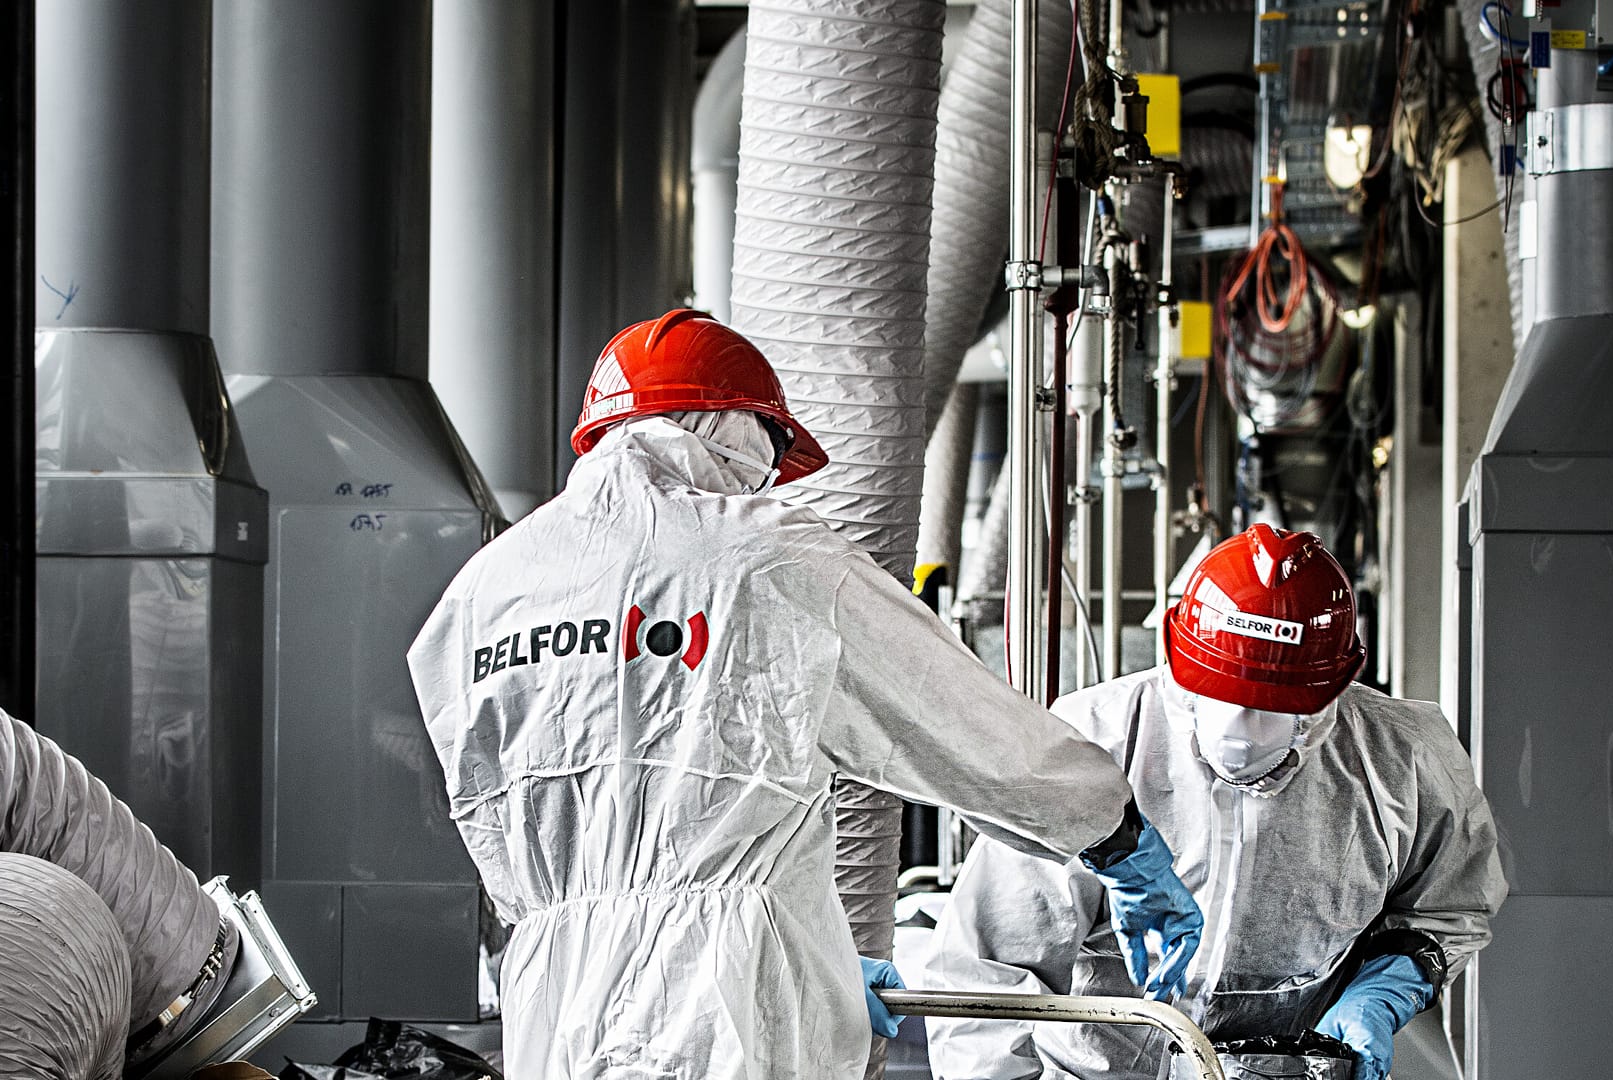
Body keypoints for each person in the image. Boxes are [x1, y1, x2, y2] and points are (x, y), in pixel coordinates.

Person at [408, 309, 1202, 1079]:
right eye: (769, 450)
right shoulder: (768, 561)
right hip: (725, 1003)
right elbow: (959, 724)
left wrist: (810, 946)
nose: (767, 477)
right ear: (730, 430)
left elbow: (541, 817)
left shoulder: (477, 597)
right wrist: (1113, 832)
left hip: (553, 992)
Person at [924, 524, 1509, 1080]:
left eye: (1273, 703)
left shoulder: (1404, 758)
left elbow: (1448, 907)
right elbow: (988, 972)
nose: (1240, 727)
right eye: (1216, 691)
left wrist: (1381, 994)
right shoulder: (1091, 743)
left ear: (1334, 687)